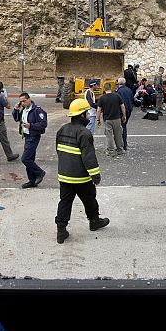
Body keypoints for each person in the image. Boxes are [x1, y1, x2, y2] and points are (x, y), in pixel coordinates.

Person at [54, 98, 110, 244]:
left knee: (64, 202)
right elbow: (89, 158)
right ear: (83, 115)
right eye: (86, 112)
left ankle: (61, 230)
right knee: (90, 200)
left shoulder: (62, 130)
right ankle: (94, 221)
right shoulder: (84, 133)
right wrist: (95, 176)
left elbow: (59, 151)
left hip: (64, 176)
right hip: (81, 178)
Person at [12, 92, 47, 188]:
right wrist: (15, 110)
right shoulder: (24, 110)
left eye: (24, 101)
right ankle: (32, 181)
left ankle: (40, 172)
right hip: (27, 137)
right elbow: (16, 118)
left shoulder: (37, 110)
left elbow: (43, 124)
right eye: (21, 102)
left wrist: (31, 125)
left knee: (25, 159)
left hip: (33, 137)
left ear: (29, 99)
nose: (23, 103)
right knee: (30, 159)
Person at [96, 82, 126, 157]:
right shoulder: (117, 96)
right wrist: (124, 115)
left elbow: (99, 110)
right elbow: (122, 106)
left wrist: (98, 119)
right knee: (118, 134)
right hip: (117, 118)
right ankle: (120, 149)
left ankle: (111, 151)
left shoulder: (102, 98)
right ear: (111, 88)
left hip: (107, 119)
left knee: (109, 135)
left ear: (104, 88)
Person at [116, 77, 134, 150]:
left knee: (121, 128)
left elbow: (119, 103)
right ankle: (124, 144)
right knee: (124, 126)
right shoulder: (129, 90)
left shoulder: (118, 91)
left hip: (122, 111)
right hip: (129, 109)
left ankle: (122, 144)